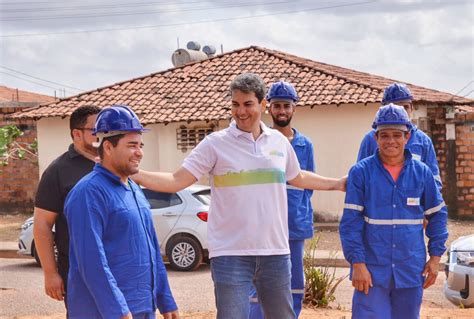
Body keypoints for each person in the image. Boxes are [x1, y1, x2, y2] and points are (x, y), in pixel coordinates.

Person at [133, 73, 346, 319]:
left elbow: (297, 177)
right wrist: (135, 173)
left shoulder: (278, 142)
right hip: (230, 254)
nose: (240, 111)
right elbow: (177, 180)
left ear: (263, 104)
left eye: (247, 104)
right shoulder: (215, 144)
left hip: (275, 253)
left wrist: (338, 184)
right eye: (235, 104)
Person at [64, 105, 179, 319]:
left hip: (142, 307)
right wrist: (117, 309)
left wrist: (165, 298)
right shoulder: (88, 193)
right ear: (108, 147)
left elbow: (152, 248)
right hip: (104, 312)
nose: (140, 152)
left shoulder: (133, 188)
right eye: (132, 145)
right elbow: (91, 260)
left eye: (140, 145)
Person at [340, 104, 448, 319]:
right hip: (371, 270)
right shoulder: (361, 172)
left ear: (407, 136)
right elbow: (350, 223)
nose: (391, 141)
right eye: (384, 135)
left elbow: (438, 215)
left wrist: (435, 259)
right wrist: (357, 264)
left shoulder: (422, 173)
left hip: (410, 268)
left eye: (397, 135)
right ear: (375, 137)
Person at [249, 81, 314, 319]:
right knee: (258, 284)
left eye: (287, 106)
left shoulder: (305, 145)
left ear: (294, 108)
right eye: (277, 106)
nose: (282, 111)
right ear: (269, 108)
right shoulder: (260, 140)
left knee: (294, 282)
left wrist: (296, 209)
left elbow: (307, 183)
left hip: (294, 226)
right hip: (264, 227)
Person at [33, 105, 101, 305]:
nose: (103, 134)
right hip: (78, 272)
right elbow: (42, 225)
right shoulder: (58, 171)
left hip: (117, 268)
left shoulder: (112, 165)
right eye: (96, 130)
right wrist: (50, 274)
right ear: (77, 134)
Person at [357, 83, 442, 190]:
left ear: (412, 108)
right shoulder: (370, 139)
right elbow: (360, 177)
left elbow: (434, 180)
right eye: (396, 107)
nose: (402, 111)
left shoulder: (424, 141)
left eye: (406, 107)